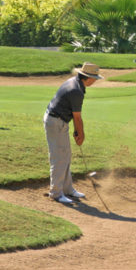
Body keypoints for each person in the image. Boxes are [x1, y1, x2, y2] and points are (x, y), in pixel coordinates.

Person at [44, 62, 103, 203]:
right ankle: (56, 193)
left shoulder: (75, 82)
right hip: (56, 122)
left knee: (66, 155)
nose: (95, 81)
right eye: (95, 78)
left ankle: (67, 189)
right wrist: (80, 135)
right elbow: (77, 117)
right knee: (59, 157)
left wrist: (77, 131)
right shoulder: (76, 90)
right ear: (88, 78)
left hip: (59, 121)